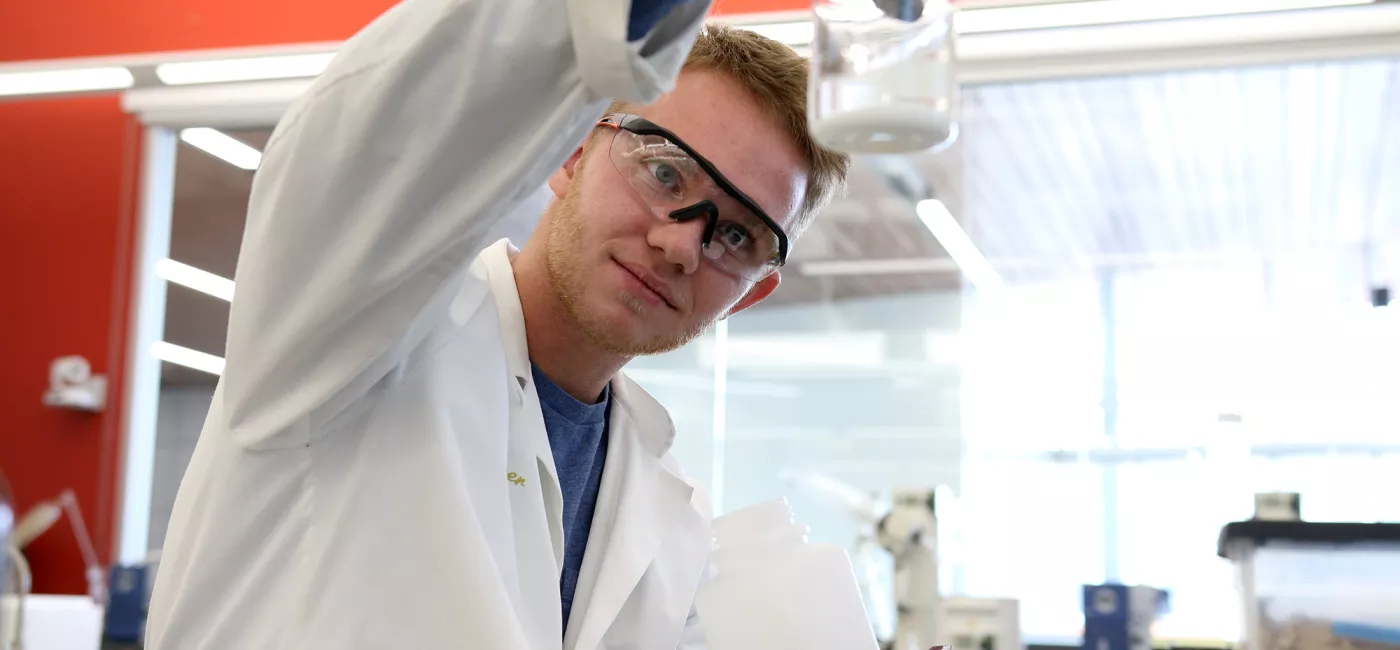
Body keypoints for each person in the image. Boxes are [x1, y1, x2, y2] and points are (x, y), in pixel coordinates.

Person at [145, 0, 849, 647]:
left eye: (737, 237)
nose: (680, 245)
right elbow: (375, 137)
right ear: (572, 152)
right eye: (664, 173)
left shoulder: (670, 513)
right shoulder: (353, 325)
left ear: (750, 294)